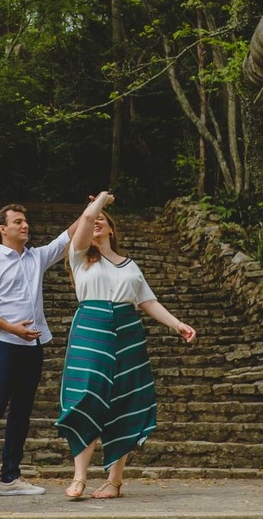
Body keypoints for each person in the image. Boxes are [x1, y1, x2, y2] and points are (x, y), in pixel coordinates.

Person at [55, 191, 197, 499]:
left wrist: (177, 324)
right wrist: (101, 200)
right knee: (86, 396)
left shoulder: (130, 266)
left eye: (102, 220)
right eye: (92, 219)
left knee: (126, 399)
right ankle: (79, 477)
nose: (95, 221)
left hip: (128, 330)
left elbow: (147, 301)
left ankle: (114, 481)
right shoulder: (79, 255)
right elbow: (87, 217)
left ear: (112, 230)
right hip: (91, 327)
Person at [0, 203, 81, 498]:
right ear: (3, 229)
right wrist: (14, 329)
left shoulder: (36, 257)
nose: (25, 225)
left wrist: (93, 207)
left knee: (22, 411)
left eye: (25, 221)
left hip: (33, 345)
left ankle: (10, 477)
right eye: (18, 222)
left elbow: (65, 238)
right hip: (5, 344)